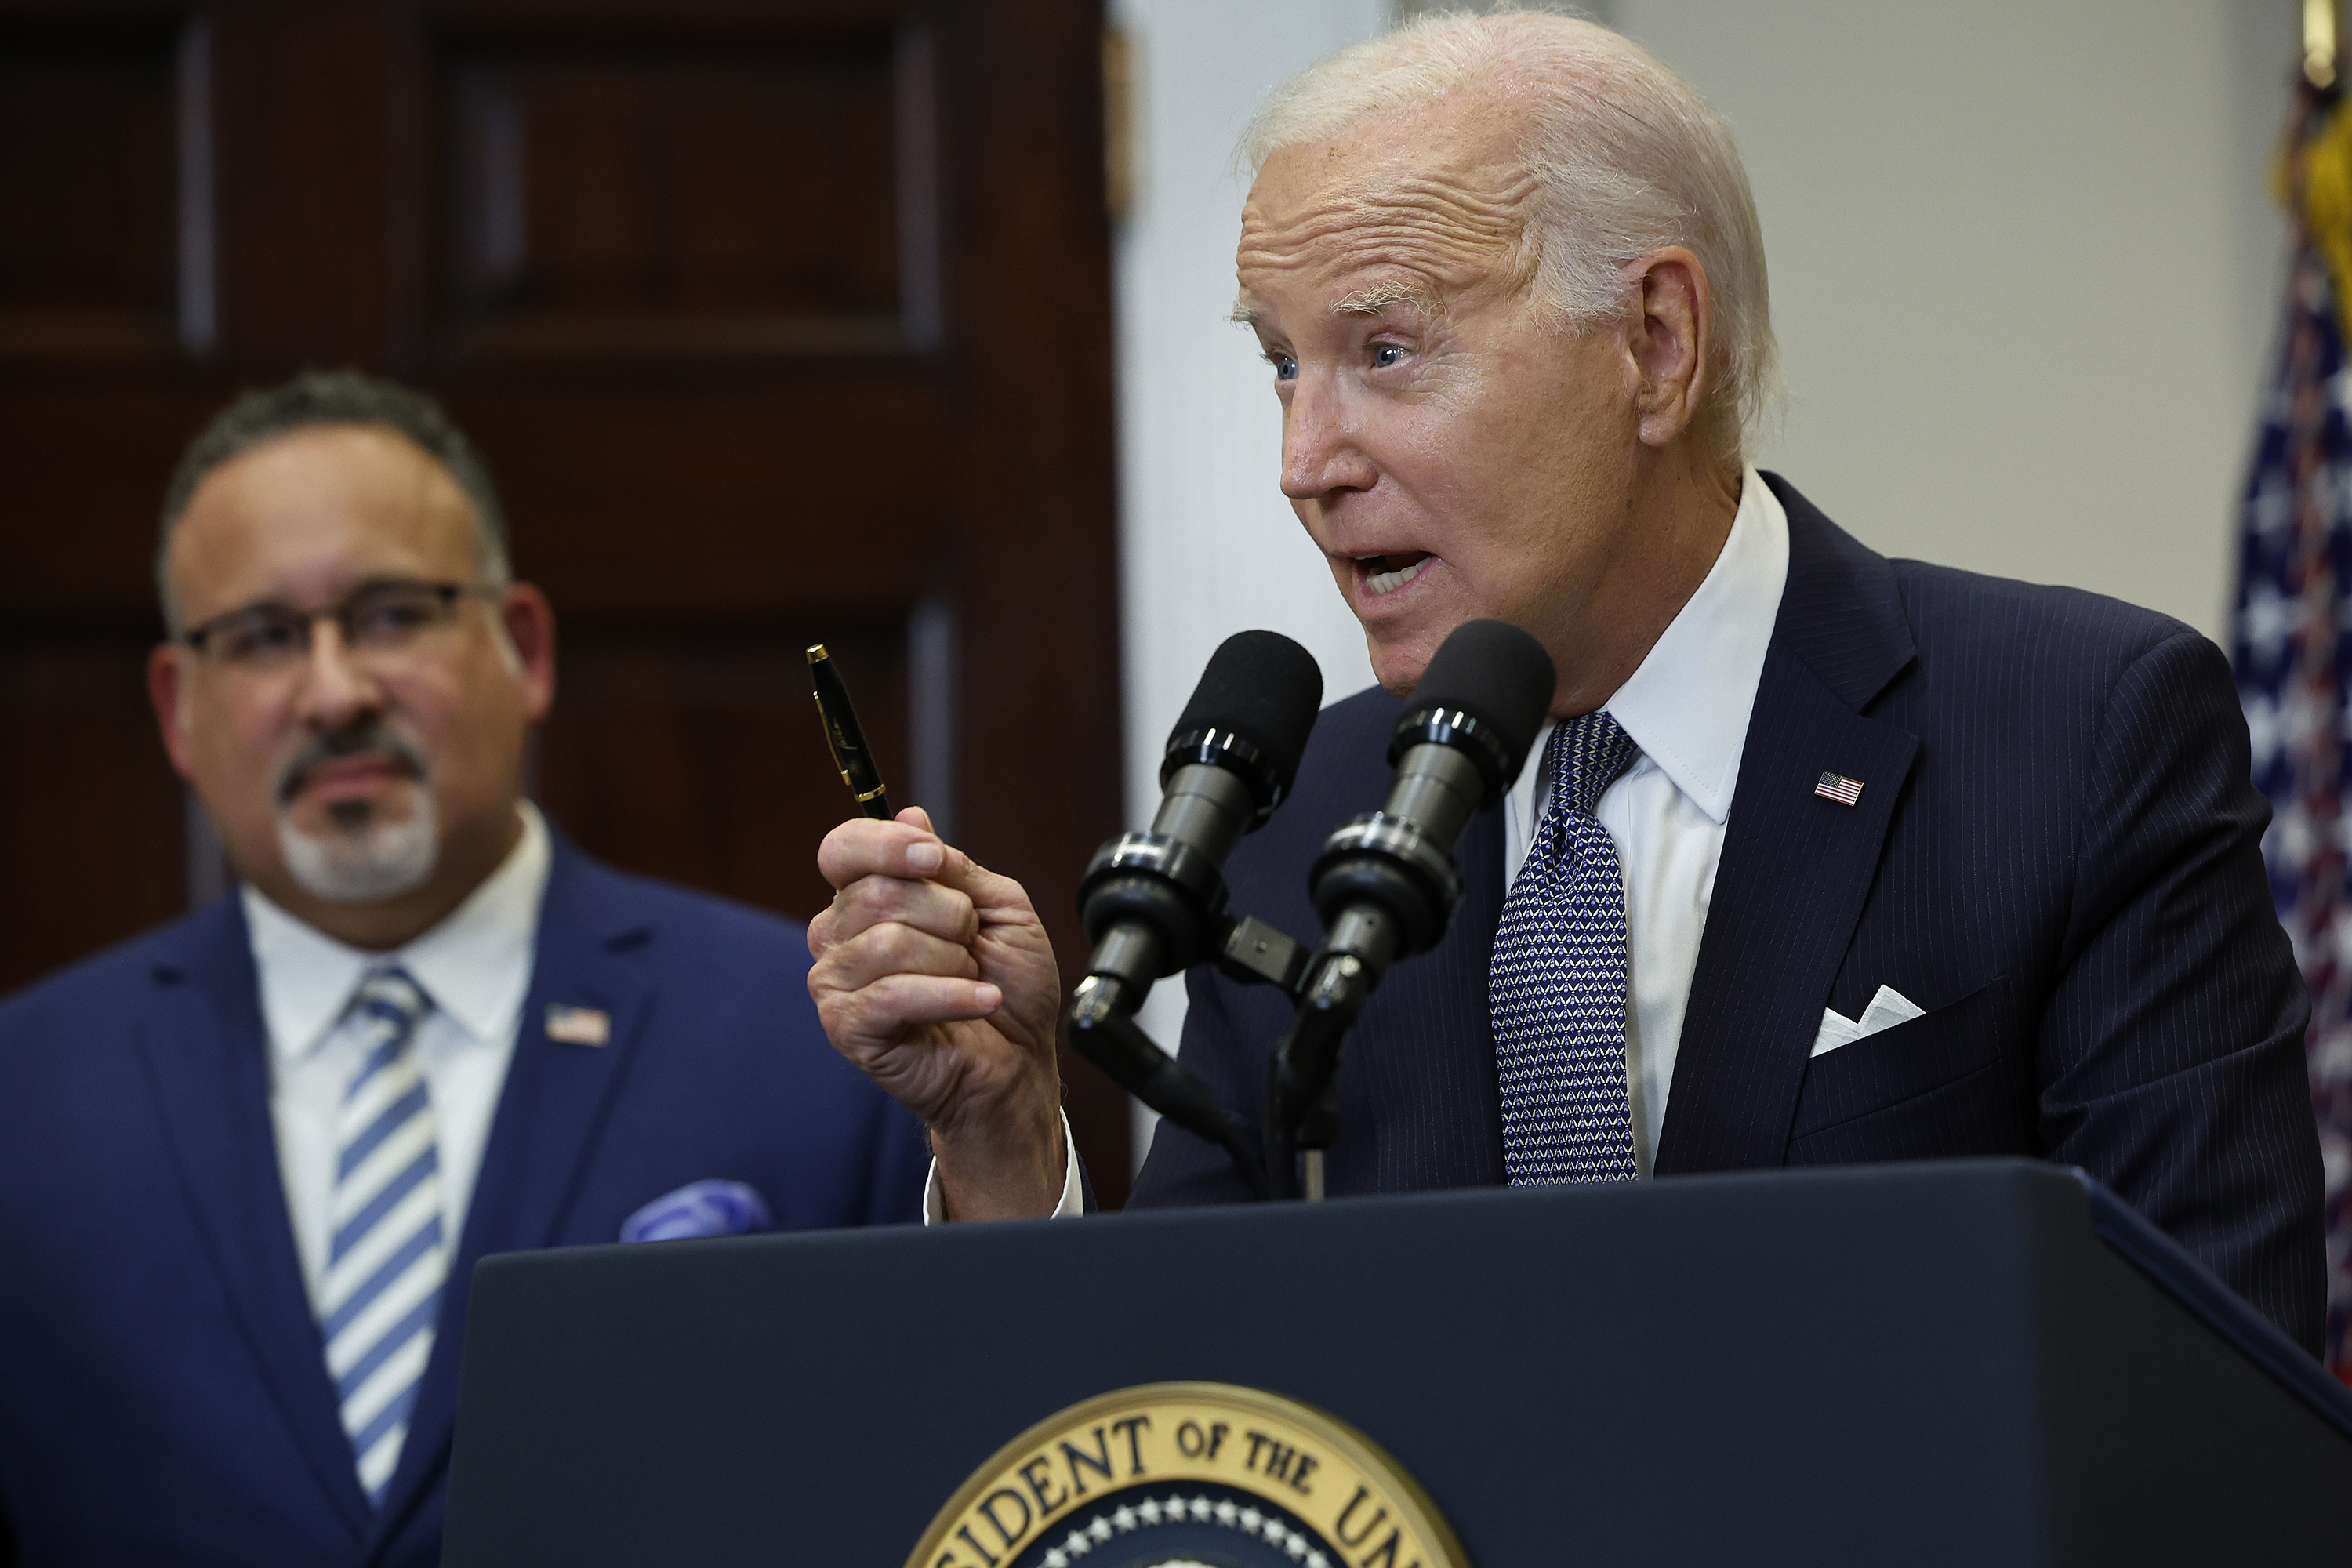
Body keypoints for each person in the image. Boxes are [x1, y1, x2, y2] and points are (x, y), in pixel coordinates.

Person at [807, 11, 2327, 1350]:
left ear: (1655, 345)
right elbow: (1203, 1432)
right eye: (1283, 363)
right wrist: (1008, 1140)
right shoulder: (1300, 819)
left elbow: (2203, 1409)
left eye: (1387, 349)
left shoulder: (2076, 737)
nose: (1304, 463)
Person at [0, 370, 930, 1566]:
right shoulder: (25, 1096)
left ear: (524, 649)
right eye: (265, 637)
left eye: (391, 613)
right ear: (180, 711)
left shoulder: (819, 1039)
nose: (335, 692)